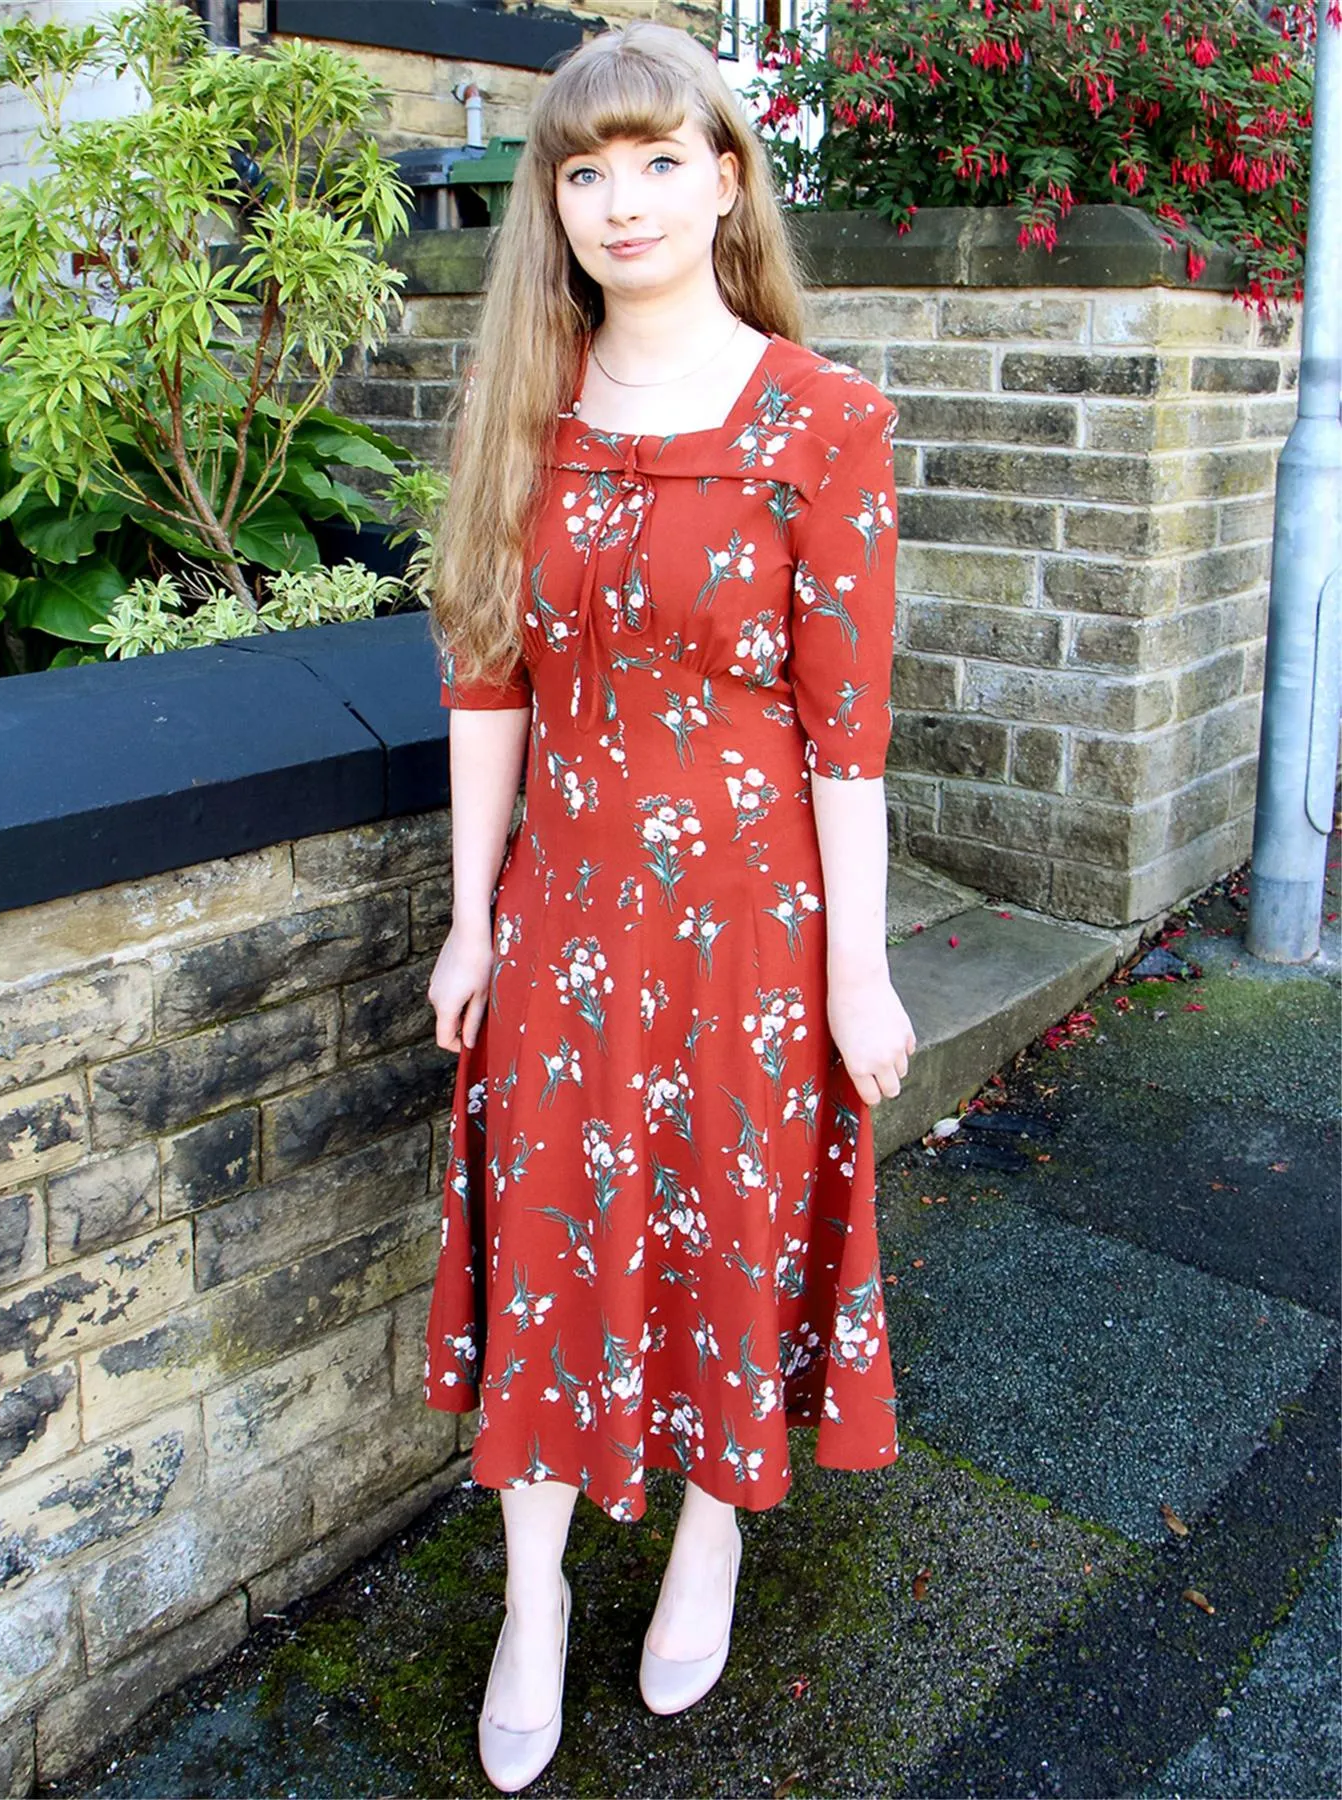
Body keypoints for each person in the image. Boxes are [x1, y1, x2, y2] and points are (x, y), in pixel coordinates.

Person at [422, 19, 917, 1791]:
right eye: (582, 172)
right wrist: (470, 921)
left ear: (722, 180)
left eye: (654, 163)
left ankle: (713, 1529)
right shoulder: (521, 417)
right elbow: (488, 686)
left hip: (761, 926)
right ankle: (534, 1594)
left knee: (734, 1215)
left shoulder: (824, 421)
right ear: (551, 205)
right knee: (550, 1227)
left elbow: (845, 734)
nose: (619, 202)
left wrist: (858, 968)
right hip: (563, 917)